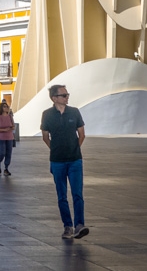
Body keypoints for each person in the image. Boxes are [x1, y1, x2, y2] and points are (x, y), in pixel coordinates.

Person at [42, 84, 87, 240]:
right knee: (62, 195)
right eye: (64, 95)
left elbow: (81, 134)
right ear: (54, 98)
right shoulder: (47, 115)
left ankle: (79, 225)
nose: (67, 97)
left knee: (77, 194)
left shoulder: (74, 112)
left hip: (75, 160)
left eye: (67, 94)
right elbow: (45, 137)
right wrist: (55, 149)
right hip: (57, 161)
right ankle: (67, 226)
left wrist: (74, 148)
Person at [0, 103, 15, 176]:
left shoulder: (10, 116)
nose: (6, 108)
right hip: (1, 137)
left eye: (7, 106)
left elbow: (13, 126)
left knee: (8, 153)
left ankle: (6, 168)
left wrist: (11, 128)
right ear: (1, 108)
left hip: (9, 137)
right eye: (4, 107)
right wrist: (4, 130)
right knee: (2, 153)